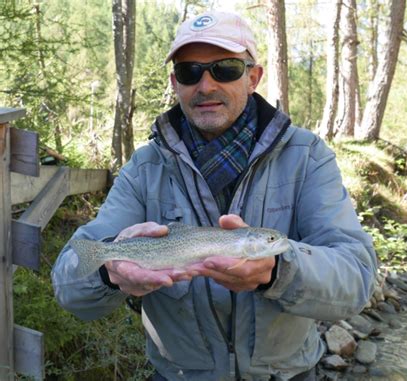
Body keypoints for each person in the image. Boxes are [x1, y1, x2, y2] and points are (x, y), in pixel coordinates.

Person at [52, 11, 377, 381]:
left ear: (253, 77)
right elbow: (69, 286)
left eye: (225, 69)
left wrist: (277, 271)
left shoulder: (307, 156)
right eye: (190, 72)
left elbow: (357, 278)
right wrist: (111, 274)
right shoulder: (144, 168)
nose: (205, 85)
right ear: (176, 83)